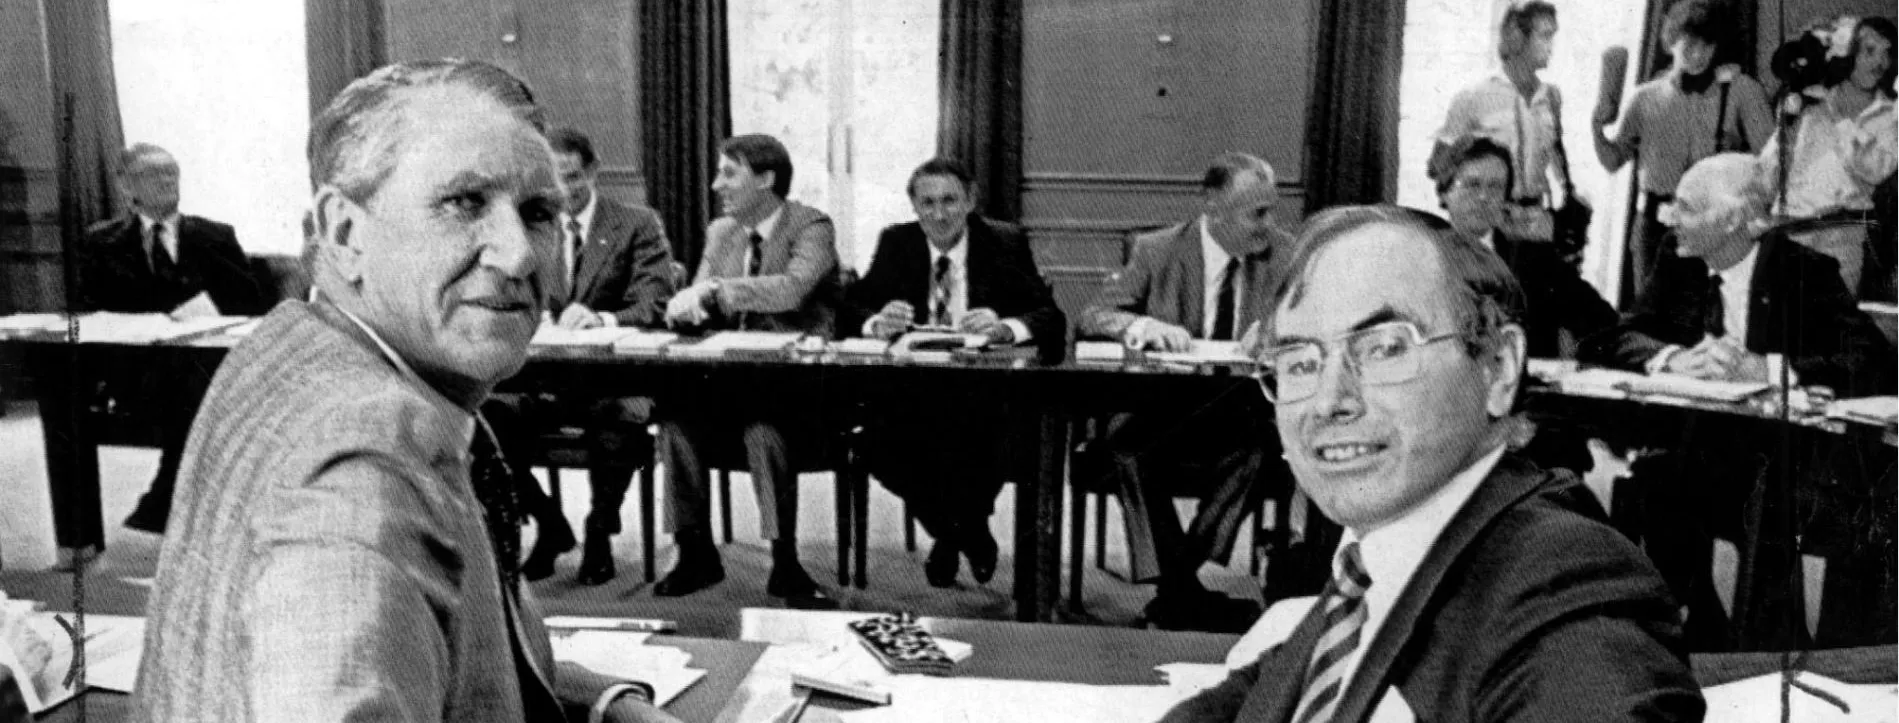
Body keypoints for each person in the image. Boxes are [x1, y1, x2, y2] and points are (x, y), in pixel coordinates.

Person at [134, 59, 678, 723]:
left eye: (536, 212)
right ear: (344, 232)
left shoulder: (286, 347)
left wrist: (608, 705)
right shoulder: (368, 449)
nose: (519, 255)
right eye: (463, 203)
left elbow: (459, 644)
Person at [1162, 205, 1703, 723]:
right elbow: (1257, 693)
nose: (1329, 401)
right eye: (1301, 361)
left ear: (1497, 367)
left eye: (1384, 348)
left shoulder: (1562, 581)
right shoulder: (1378, 558)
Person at [1577, 153, 1895, 650]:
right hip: (1692, 452)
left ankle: (1759, 643)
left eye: (1686, 207)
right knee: (1654, 487)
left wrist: (1767, 368)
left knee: (1754, 504)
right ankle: (1687, 627)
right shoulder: (1677, 259)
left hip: (1782, 461)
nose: (1669, 217)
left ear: (1733, 221)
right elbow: (1618, 337)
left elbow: (1871, 360)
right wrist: (1671, 358)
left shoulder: (1805, 271)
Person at [1076, 152, 1293, 631]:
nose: (1269, 224)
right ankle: (1182, 591)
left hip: (1240, 414)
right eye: (1257, 212)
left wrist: (1279, 338)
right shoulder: (1158, 250)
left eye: (1271, 210)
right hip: (1161, 411)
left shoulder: (1284, 255)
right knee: (1125, 446)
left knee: (1258, 450)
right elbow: (1093, 317)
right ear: (1214, 208)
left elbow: (1311, 325)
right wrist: (1141, 324)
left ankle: (1175, 586)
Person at [849, 158, 1064, 587]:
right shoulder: (898, 242)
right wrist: (878, 321)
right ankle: (968, 534)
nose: (939, 214)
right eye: (927, 203)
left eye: (950, 201)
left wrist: (1006, 327)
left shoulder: (1002, 242)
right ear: (914, 206)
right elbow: (853, 305)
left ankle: (950, 538)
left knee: (980, 443)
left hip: (984, 393)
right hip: (911, 392)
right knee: (876, 445)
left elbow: (1050, 317)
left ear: (970, 200)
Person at [654, 133, 842, 608]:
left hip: (795, 389)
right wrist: (685, 308)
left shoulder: (811, 225)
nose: (717, 185)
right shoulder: (722, 232)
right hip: (730, 382)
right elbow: (702, 297)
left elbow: (792, 290)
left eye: (728, 174)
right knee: (675, 422)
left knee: (763, 431)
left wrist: (717, 291)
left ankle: (785, 562)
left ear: (766, 179)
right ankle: (695, 551)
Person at [489, 126, 677, 585]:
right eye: (552, 181)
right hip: (546, 379)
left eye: (572, 178)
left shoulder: (636, 223)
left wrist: (603, 319)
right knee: (487, 417)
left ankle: (599, 530)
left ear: (592, 172)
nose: (562, 191)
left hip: (615, 379)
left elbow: (656, 303)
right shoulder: (529, 227)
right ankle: (549, 522)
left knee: (619, 417)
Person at [79, 142, 269, 534]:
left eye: (173, 172)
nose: (168, 180)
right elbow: (91, 307)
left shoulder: (215, 236)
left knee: (197, 381)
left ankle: (162, 498)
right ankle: (167, 497)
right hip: (137, 368)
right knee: (193, 391)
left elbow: (249, 302)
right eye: (154, 174)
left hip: (204, 363)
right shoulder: (101, 242)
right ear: (126, 186)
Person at [1434, 134, 1618, 474]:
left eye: (1496, 187)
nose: (1485, 197)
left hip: (1527, 428)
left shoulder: (1533, 257)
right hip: (1445, 424)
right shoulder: (1422, 258)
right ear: (1445, 192)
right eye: (1472, 185)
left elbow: (1602, 320)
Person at [1594, 0, 1773, 302]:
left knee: (1709, 322)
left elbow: (1770, 161)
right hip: (1655, 229)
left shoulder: (1741, 91)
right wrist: (1596, 127)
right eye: (1690, 44)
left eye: (1707, 45)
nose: (1699, 55)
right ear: (1671, 42)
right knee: (1652, 322)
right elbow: (1613, 161)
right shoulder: (1645, 98)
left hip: (1714, 226)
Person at [1759, 16, 1896, 294]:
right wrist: (1785, 127)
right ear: (1848, 53)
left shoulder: (1892, 116)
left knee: (1831, 331)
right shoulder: (1810, 100)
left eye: (1888, 53)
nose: (1879, 62)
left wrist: (1843, 119)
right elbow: (1768, 172)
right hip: (1790, 230)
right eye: (1869, 51)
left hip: (1843, 238)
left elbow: (1876, 169)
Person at [1431, 1, 1569, 244]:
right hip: (1490, 228)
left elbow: (1558, 162)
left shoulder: (1551, 98)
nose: (1552, 47)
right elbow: (1437, 166)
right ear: (1517, 38)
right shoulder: (1474, 97)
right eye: (1545, 36)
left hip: (1537, 229)